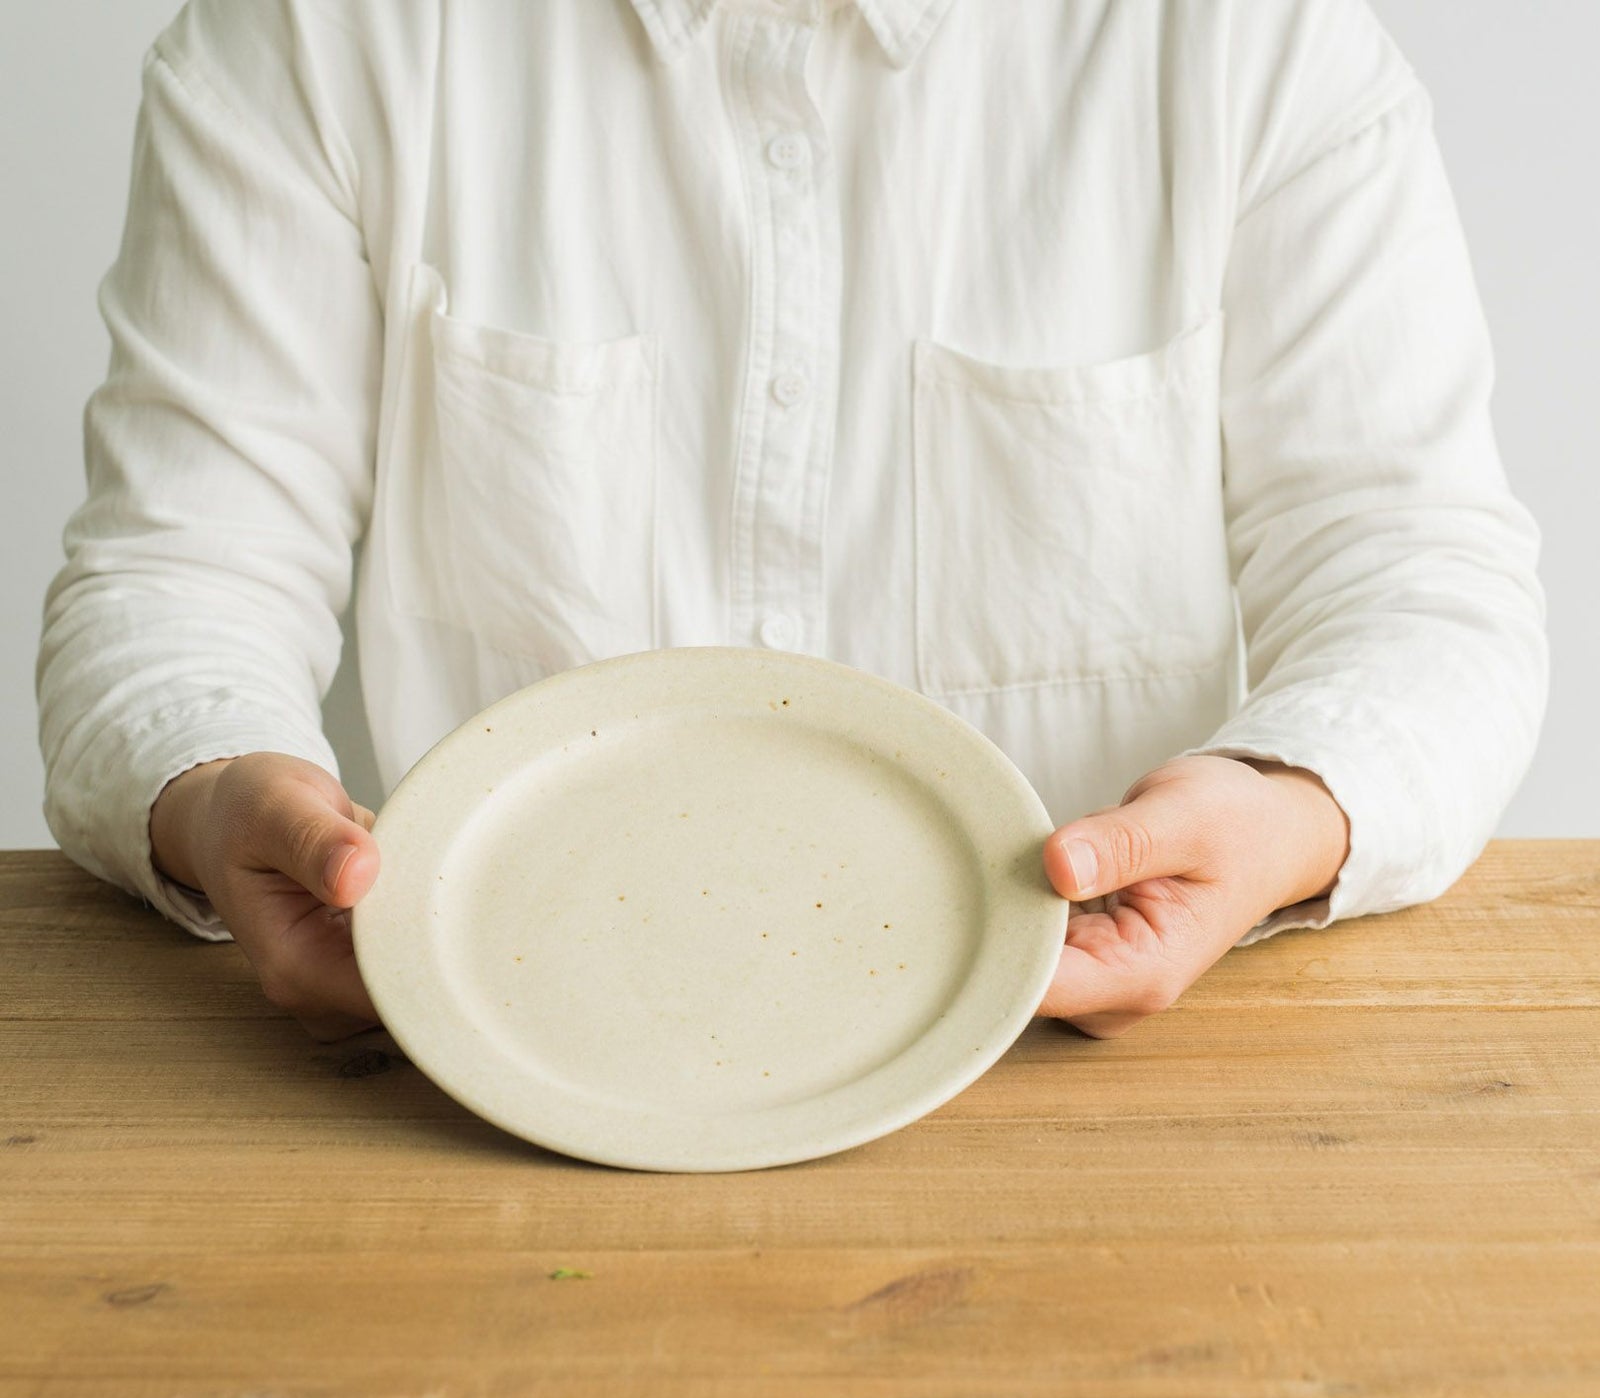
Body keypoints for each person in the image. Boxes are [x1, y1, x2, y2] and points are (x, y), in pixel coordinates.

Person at [36, 0, 1547, 1043]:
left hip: (1079, 1072)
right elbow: (179, 573)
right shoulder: (316, 33)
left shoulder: (1254, 42)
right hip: (497, 1056)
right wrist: (215, 796)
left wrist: (1285, 809)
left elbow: (1419, 578)